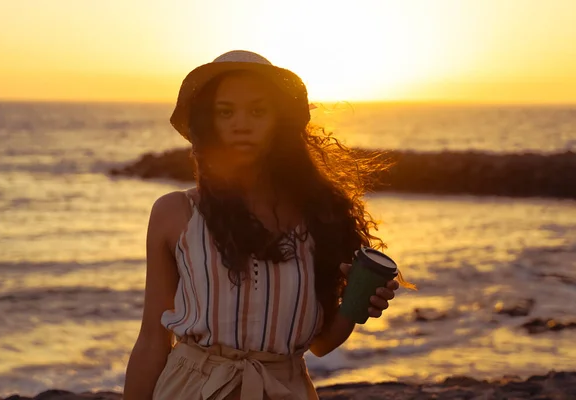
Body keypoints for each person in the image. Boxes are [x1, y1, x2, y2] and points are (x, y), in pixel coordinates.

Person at [123, 50, 411, 400]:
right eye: (225, 111)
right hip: (189, 389)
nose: (241, 123)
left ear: (280, 121)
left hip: (283, 389)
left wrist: (356, 304)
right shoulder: (175, 213)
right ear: (207, 122)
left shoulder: (321, 217)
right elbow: (152, 341)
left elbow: (321, 343)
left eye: (258, 111)